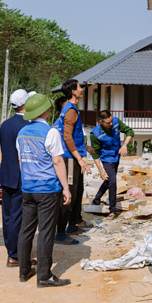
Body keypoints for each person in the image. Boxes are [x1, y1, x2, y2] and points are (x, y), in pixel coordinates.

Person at [16, 93, 72, 287]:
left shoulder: (22, 133)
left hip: (28, 187)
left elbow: (21, 161)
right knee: (46, 232)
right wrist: (65, 187)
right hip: (47, 188)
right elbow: (57, 161)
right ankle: (44, 276)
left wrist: (27, 181)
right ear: (46, 111)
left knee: (26, 229)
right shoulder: (50, 132)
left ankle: (24, 271)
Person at [52, 79, 93, 244]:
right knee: (69, 194)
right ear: (74, 92)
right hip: (69, 158)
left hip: (73, 156)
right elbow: (67, 136)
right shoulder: (70, 110)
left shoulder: (72, 109)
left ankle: (72, 225)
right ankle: (60, 232)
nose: (82, 89)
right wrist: (80, 159)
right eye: (79, 87)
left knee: (77, 192)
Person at [0, 89, 35, 267]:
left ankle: (11, 251)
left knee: (7, 215)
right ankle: (16, 255)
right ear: (25, 104)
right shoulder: (27, 126)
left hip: (6, 175)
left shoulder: (5, 124)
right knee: (18, 217)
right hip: (21, 176)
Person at [90, 110, 134, 218]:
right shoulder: (95, 134)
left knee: (109, 180)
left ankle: (96, 199)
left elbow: (129, 132)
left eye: (111, 121)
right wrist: (101, 171)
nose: (111, 124)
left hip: (116, 156)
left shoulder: (116, 122)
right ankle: (112, 210)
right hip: (107, 159)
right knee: (113, 182)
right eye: (107, 123)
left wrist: (124, 145)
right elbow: (95, 155)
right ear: (100, 121)